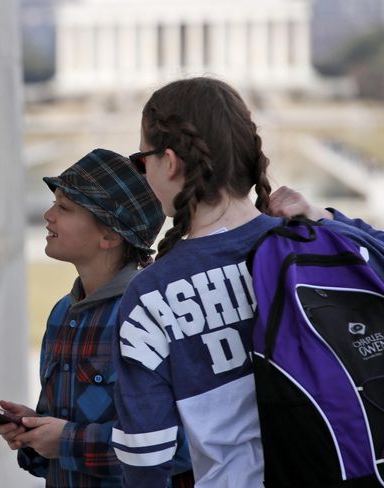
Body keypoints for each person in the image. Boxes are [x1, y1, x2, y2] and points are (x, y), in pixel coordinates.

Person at [111, 77, 384, 487]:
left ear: (169, 162)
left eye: (141, 160)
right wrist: (325, 219)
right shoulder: (314, 242)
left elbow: (146, 454)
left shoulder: (150, 295)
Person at [0, 148, 192, 487]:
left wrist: (65, 440)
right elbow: (63, 442)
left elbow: (179, 447)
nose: (48, 215)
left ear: (109, 236)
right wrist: (35, 431)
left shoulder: (151, 316)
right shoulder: (60, 313)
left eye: (64, 208)